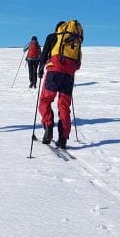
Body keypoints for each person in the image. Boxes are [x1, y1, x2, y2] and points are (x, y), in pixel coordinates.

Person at [38, 20, 83, 149]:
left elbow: (44, 54)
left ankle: (48, 126)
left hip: (54, 72)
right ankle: (63, 138)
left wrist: (40, 69)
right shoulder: (75, 41)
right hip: (69, 75)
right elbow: (78, 63)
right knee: (64, 105)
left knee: (45, 100)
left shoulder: (52, 37)